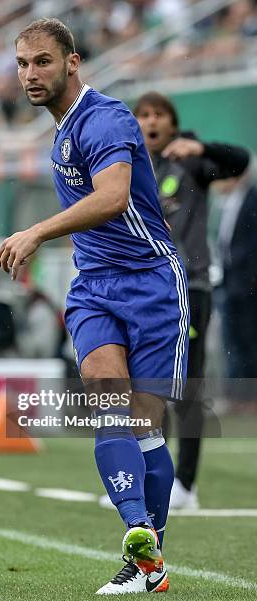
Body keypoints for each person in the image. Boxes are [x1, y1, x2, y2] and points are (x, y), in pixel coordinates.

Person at [0, 18, 189, 594]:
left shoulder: (102, 118)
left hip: (152, 283)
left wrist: (36, 233)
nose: (31, 74)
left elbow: (114, 197)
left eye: (43, 62)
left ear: (72, 62)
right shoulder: (59, 130)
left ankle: (147, 567)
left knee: (145, 427)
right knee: (106, 396)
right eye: (23, 64)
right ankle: (137, 532)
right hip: (94, 286)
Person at [133, 92, 250, 508]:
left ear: (172, 122)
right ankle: (152, 482)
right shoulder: (131, 165)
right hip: (147, 292)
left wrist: (200, 148)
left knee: (187, 387)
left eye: (158, 115)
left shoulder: (191, 160)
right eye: (143, 115)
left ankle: (186, 484)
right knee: (149, 388)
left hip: (191, 288)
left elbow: (240, 160)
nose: (151, 122)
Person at [216, 172, 257, 400]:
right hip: (229, 283)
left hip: (248, 285)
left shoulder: (252, 199)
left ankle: (249, 396)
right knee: (232, 339)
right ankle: (237, 395)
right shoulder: (223, 204)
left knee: (249, 339)